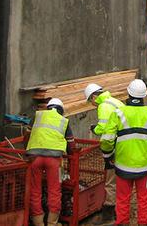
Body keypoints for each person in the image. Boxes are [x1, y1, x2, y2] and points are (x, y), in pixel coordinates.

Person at [100, 79, 147, 226]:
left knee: (122, 199)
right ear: (144, 95)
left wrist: (108, 156)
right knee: (143, 199)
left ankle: (122, 223)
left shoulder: (118, 113)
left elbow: (106, 140)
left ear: (128, 94)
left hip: (122, 166)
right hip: (144, 167)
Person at [25, 98, 74, 226]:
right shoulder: (64, 121)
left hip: (34, 158)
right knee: (54, 190)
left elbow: (27, 134)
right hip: (54, 159)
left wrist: (27, 151)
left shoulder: (37, 115)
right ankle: (52, 223)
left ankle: (38, 222)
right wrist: (70, 156)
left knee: (35, 189)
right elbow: (71, 144)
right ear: (61, 110)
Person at [84, 83, 124, 220]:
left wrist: (95, 129)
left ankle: (109, 214)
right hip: (126, 144)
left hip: (115, 146)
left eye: (90, 101)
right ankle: (122, 209)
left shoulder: (103, 106)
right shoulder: (115, 101)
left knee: (110, 180)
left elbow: (105, 130)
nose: (92, 104)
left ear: (94, 97)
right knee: (123, 178)